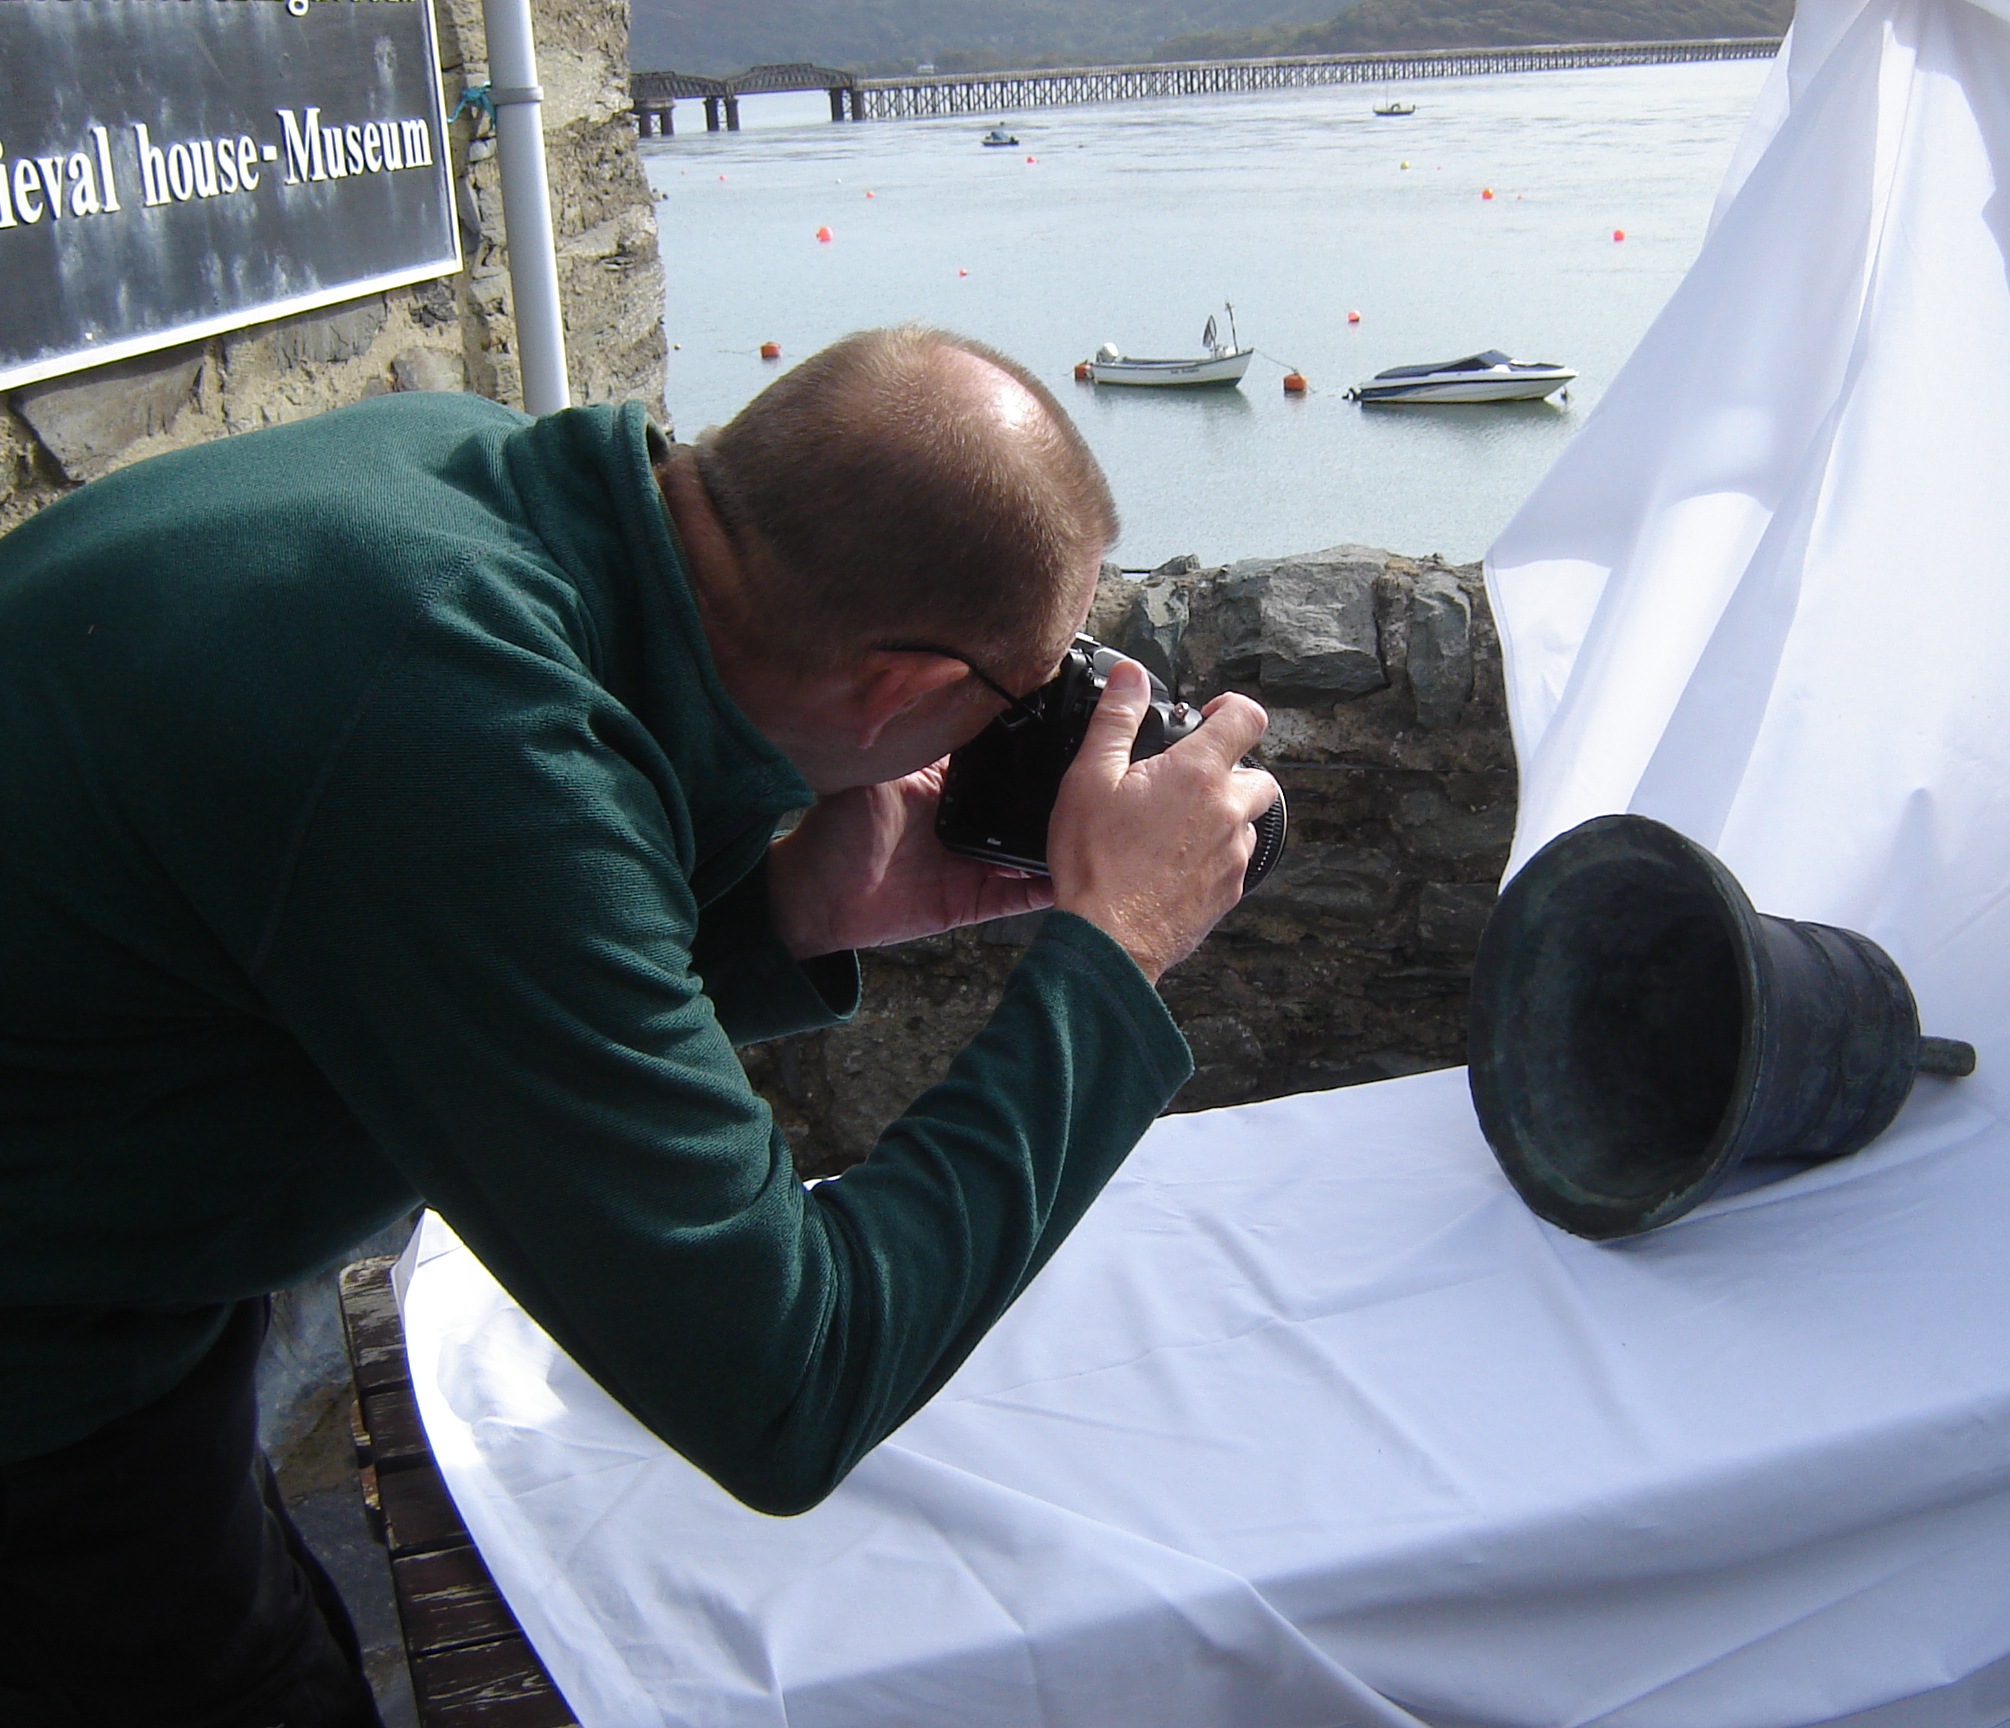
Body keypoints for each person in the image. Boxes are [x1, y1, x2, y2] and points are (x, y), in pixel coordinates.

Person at [0, 325, 1277, 1725]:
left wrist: (786, 905)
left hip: (118, 1252)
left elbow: (442, 979)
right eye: (1031, 696)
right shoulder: (465, 732)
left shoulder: (469, 490)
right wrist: (1115, 949)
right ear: (902, 691)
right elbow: (787, 1383)